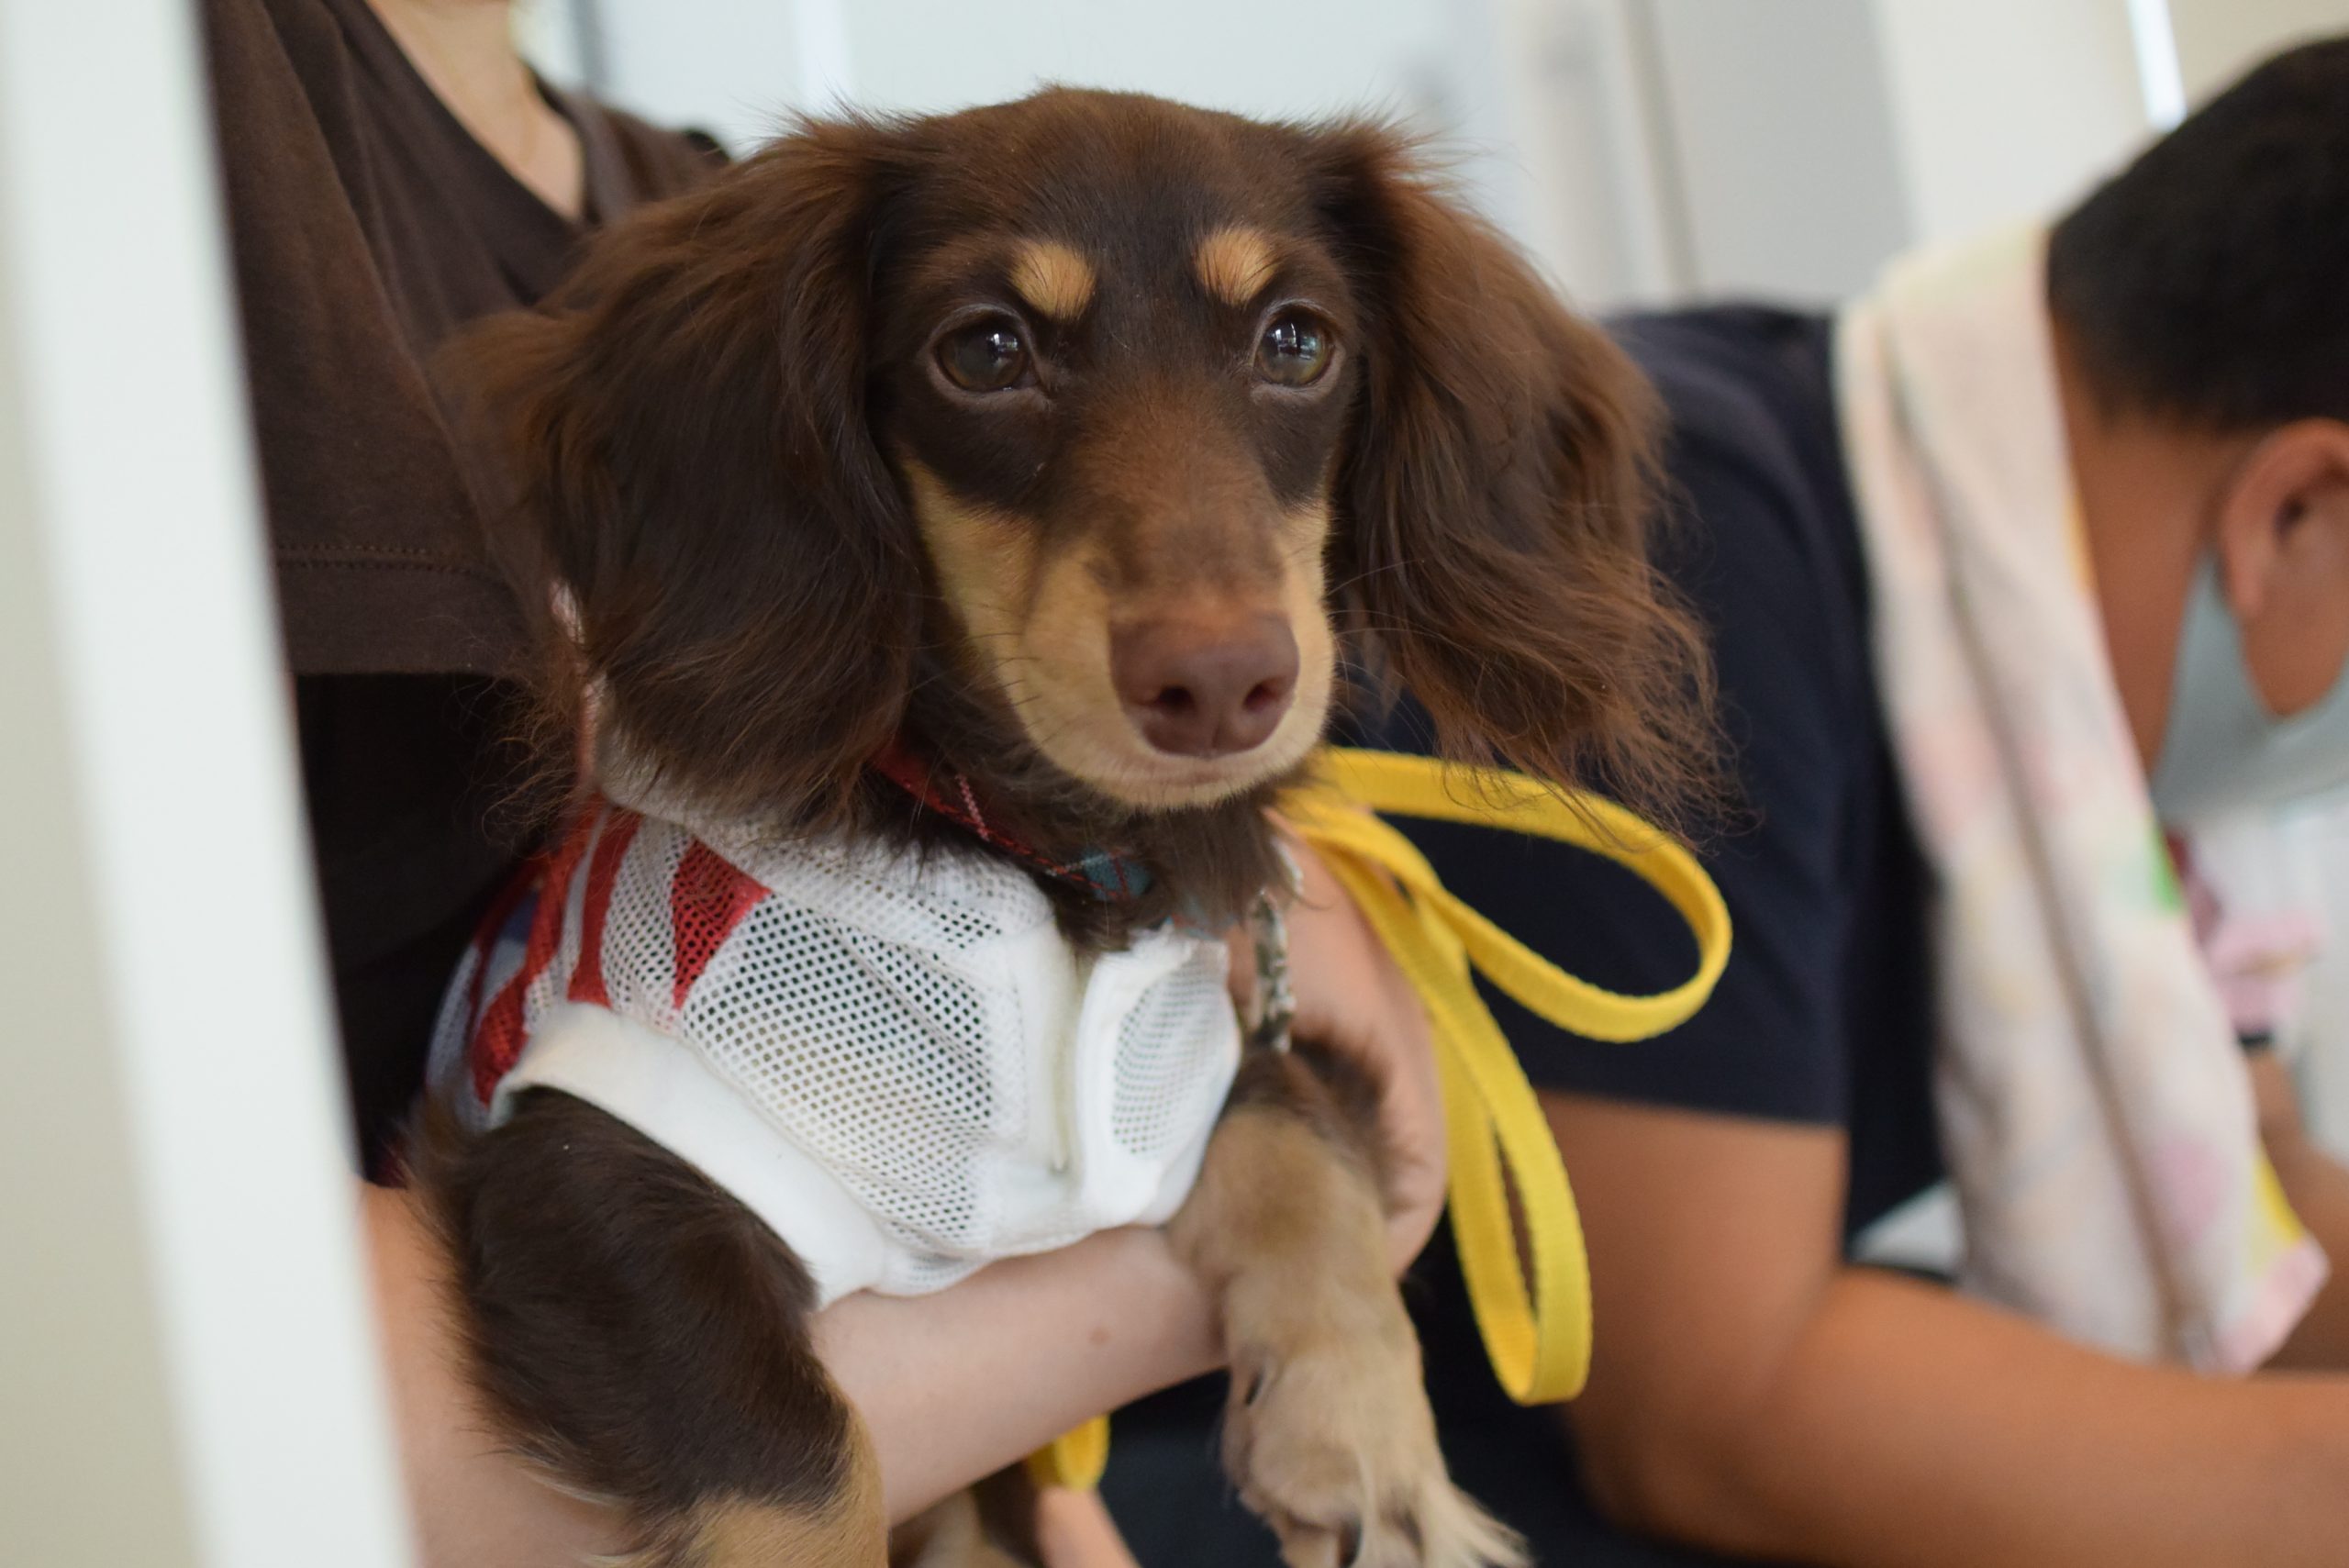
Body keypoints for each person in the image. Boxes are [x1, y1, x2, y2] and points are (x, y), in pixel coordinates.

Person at [203, 4, 1453, 1563]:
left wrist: (1050, 1505)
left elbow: (1323, 1095)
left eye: (1292, 342)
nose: (1209, 623)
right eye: (989, 350)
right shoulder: (169, 120)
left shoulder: (683, 198)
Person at [1105, 36, 2349, 1568]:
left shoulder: (2082, 684)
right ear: (2295, 510)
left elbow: (2263, 1191)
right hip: (1243, 1459)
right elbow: (1720, 1410)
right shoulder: (1690, 542)